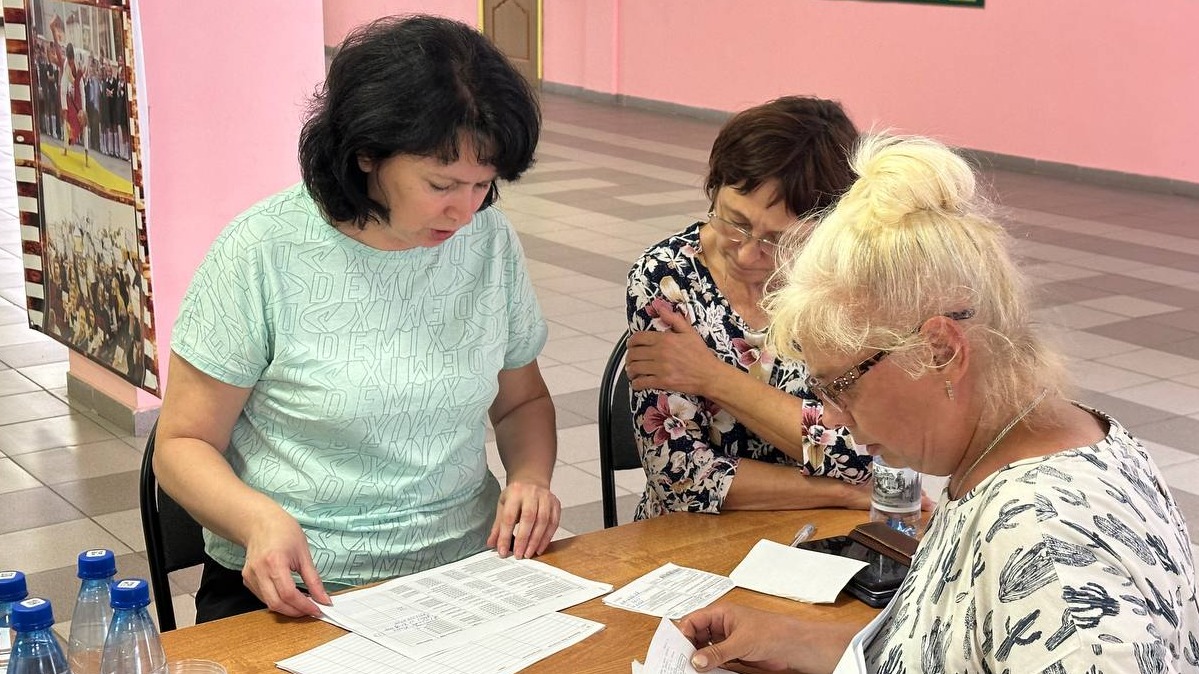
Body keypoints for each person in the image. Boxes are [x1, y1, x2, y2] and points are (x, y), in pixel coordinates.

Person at [679, 134, 1199, 672]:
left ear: (940, 351)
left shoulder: (1045, 545)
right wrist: (805, 644)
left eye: (842, 385)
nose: (831, 415)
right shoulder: (1007, 455)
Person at [155, 15, 561, 623]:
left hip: (465, 573)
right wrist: (258, 520)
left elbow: (521, 402)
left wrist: (530, 478)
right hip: (297, 589)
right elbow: (182, 445)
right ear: (367, 154)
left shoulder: (489, 242)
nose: (465, 211)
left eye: (484, 185)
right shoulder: (262, 250)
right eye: (442, 183)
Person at [624, 96, 873, 519]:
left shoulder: (839, 286)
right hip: (702, 532)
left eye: (778, 240)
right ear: (714, 186)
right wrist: (842, 493)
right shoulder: (667, 279)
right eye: (734, 221)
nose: (745, 254)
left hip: (824, 529)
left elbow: (868, 450)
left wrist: (712, 378)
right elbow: (680, 478)